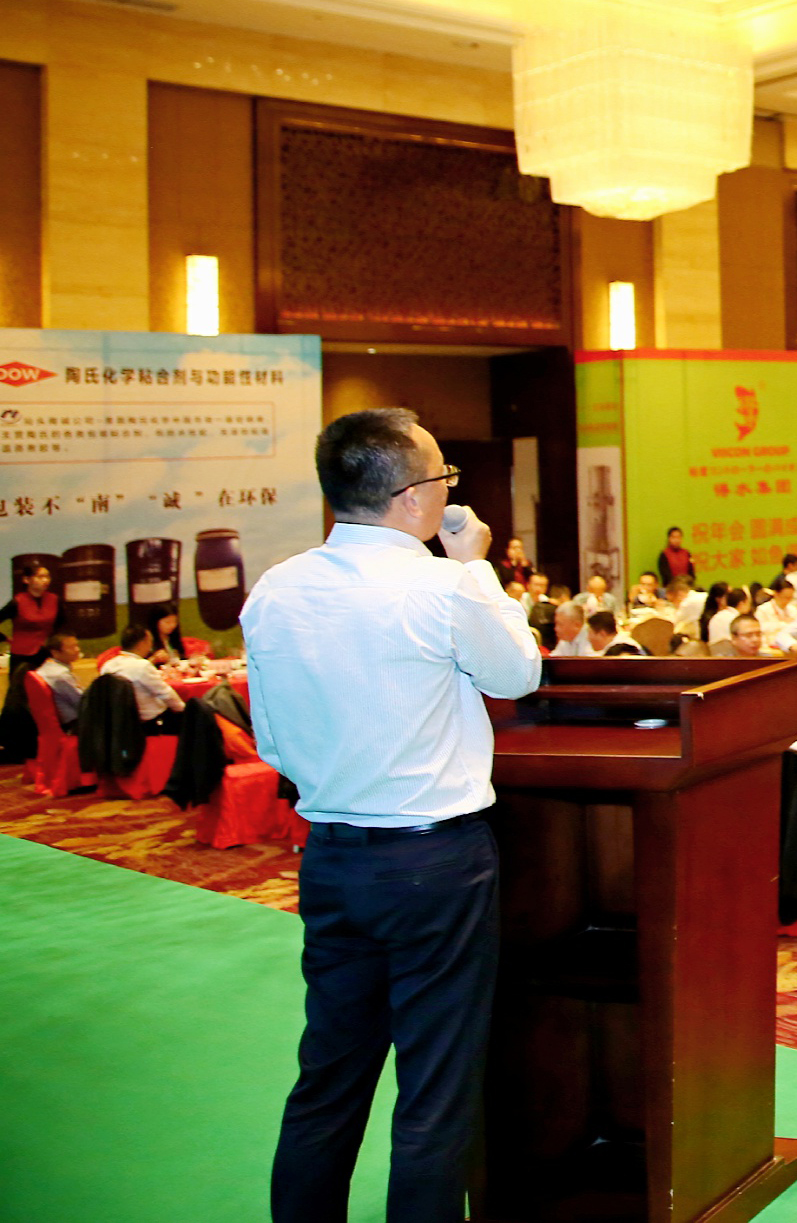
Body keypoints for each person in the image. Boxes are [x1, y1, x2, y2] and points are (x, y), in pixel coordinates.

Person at [247, 407, 543, 1223]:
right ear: (412, 497)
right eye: (444, 475)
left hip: (332, 856)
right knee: (435, 1092)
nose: (450, 489)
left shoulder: (276, 589)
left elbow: (273, 743)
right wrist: (474, 567)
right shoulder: (441, 585)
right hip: (435, 863)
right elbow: (517, 673)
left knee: (328, 1079)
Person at [98, 623, 186, 731]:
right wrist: (184, 709)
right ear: (141, 643)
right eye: (150, 642)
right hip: (150, 723)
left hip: (119, 723)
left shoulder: (107, 666)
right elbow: (166, 694)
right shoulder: (142, 666)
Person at [34, 631, 82, 729]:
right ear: (55, 652)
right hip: (75, 725)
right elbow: (82, 702)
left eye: (77, 645)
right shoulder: (60, 675)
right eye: (71, 647)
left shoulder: (47, 668)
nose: (77, 650)